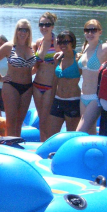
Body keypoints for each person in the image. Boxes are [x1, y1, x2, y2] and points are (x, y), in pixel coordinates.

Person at [0, 19, 35, 136]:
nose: (23, 32)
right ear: (16, 30)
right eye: (20, 29)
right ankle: (9, 145)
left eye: (26, 29)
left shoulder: (32, 46)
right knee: (11, 122)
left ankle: (16, 144)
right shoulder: (9, 46)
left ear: (29, 32)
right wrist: (0, 78)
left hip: (27, 87)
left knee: (20, 122)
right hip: (11, 86)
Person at [47, 30, 82, 137]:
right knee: (51, 135)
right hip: (58, 100)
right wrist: (51, 101)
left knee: (71, 135)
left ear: (72, 42)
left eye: (66, 42)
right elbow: (55, 80)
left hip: (73, 101)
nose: (63, 45)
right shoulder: (58, 58)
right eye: (60, 42)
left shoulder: (79, 58)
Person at [32, 12, 59, 141]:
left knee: (44, 119)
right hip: (37, 85)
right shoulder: (39, 42)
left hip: (50, 86)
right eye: (41, 24)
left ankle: (46, 146)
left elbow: (63, 64)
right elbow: (35, 66)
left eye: (47, 24)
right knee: (41, 120)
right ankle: (43, 145)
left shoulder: (58, 42)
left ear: (52, 26)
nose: (44, 27)